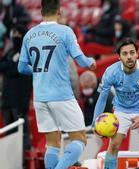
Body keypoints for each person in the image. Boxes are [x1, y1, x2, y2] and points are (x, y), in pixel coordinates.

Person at [17, 0, 96, 169]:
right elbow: (81, 60)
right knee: (80, 139)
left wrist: (40, 71)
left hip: (40, 97)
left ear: (41, 12)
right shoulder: (65, 31)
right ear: (59, 12)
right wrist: (91, 62)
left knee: (52, 144)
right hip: (61, 95)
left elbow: (21, 67)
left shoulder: (29, 35)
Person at [92, 38, 139, 169]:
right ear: (119, 56)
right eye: (125, 53)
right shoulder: (111, 72)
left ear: (137, 53)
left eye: (132, 52)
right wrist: (95, 122)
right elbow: (102, 98)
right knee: (113, 145)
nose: (129, 57)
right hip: (121, 110)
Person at [0, 24, 32, 151]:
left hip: (19, 99)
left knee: (22, 131)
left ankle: (23, 160)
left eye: (18, 34)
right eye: (14, 34)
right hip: (7, 98)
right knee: (9, 132)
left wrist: (8, 67)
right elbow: (2, 66)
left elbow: (16, 69)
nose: (15, 37)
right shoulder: (11, 51)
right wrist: (9, 65)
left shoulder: (28, 53)